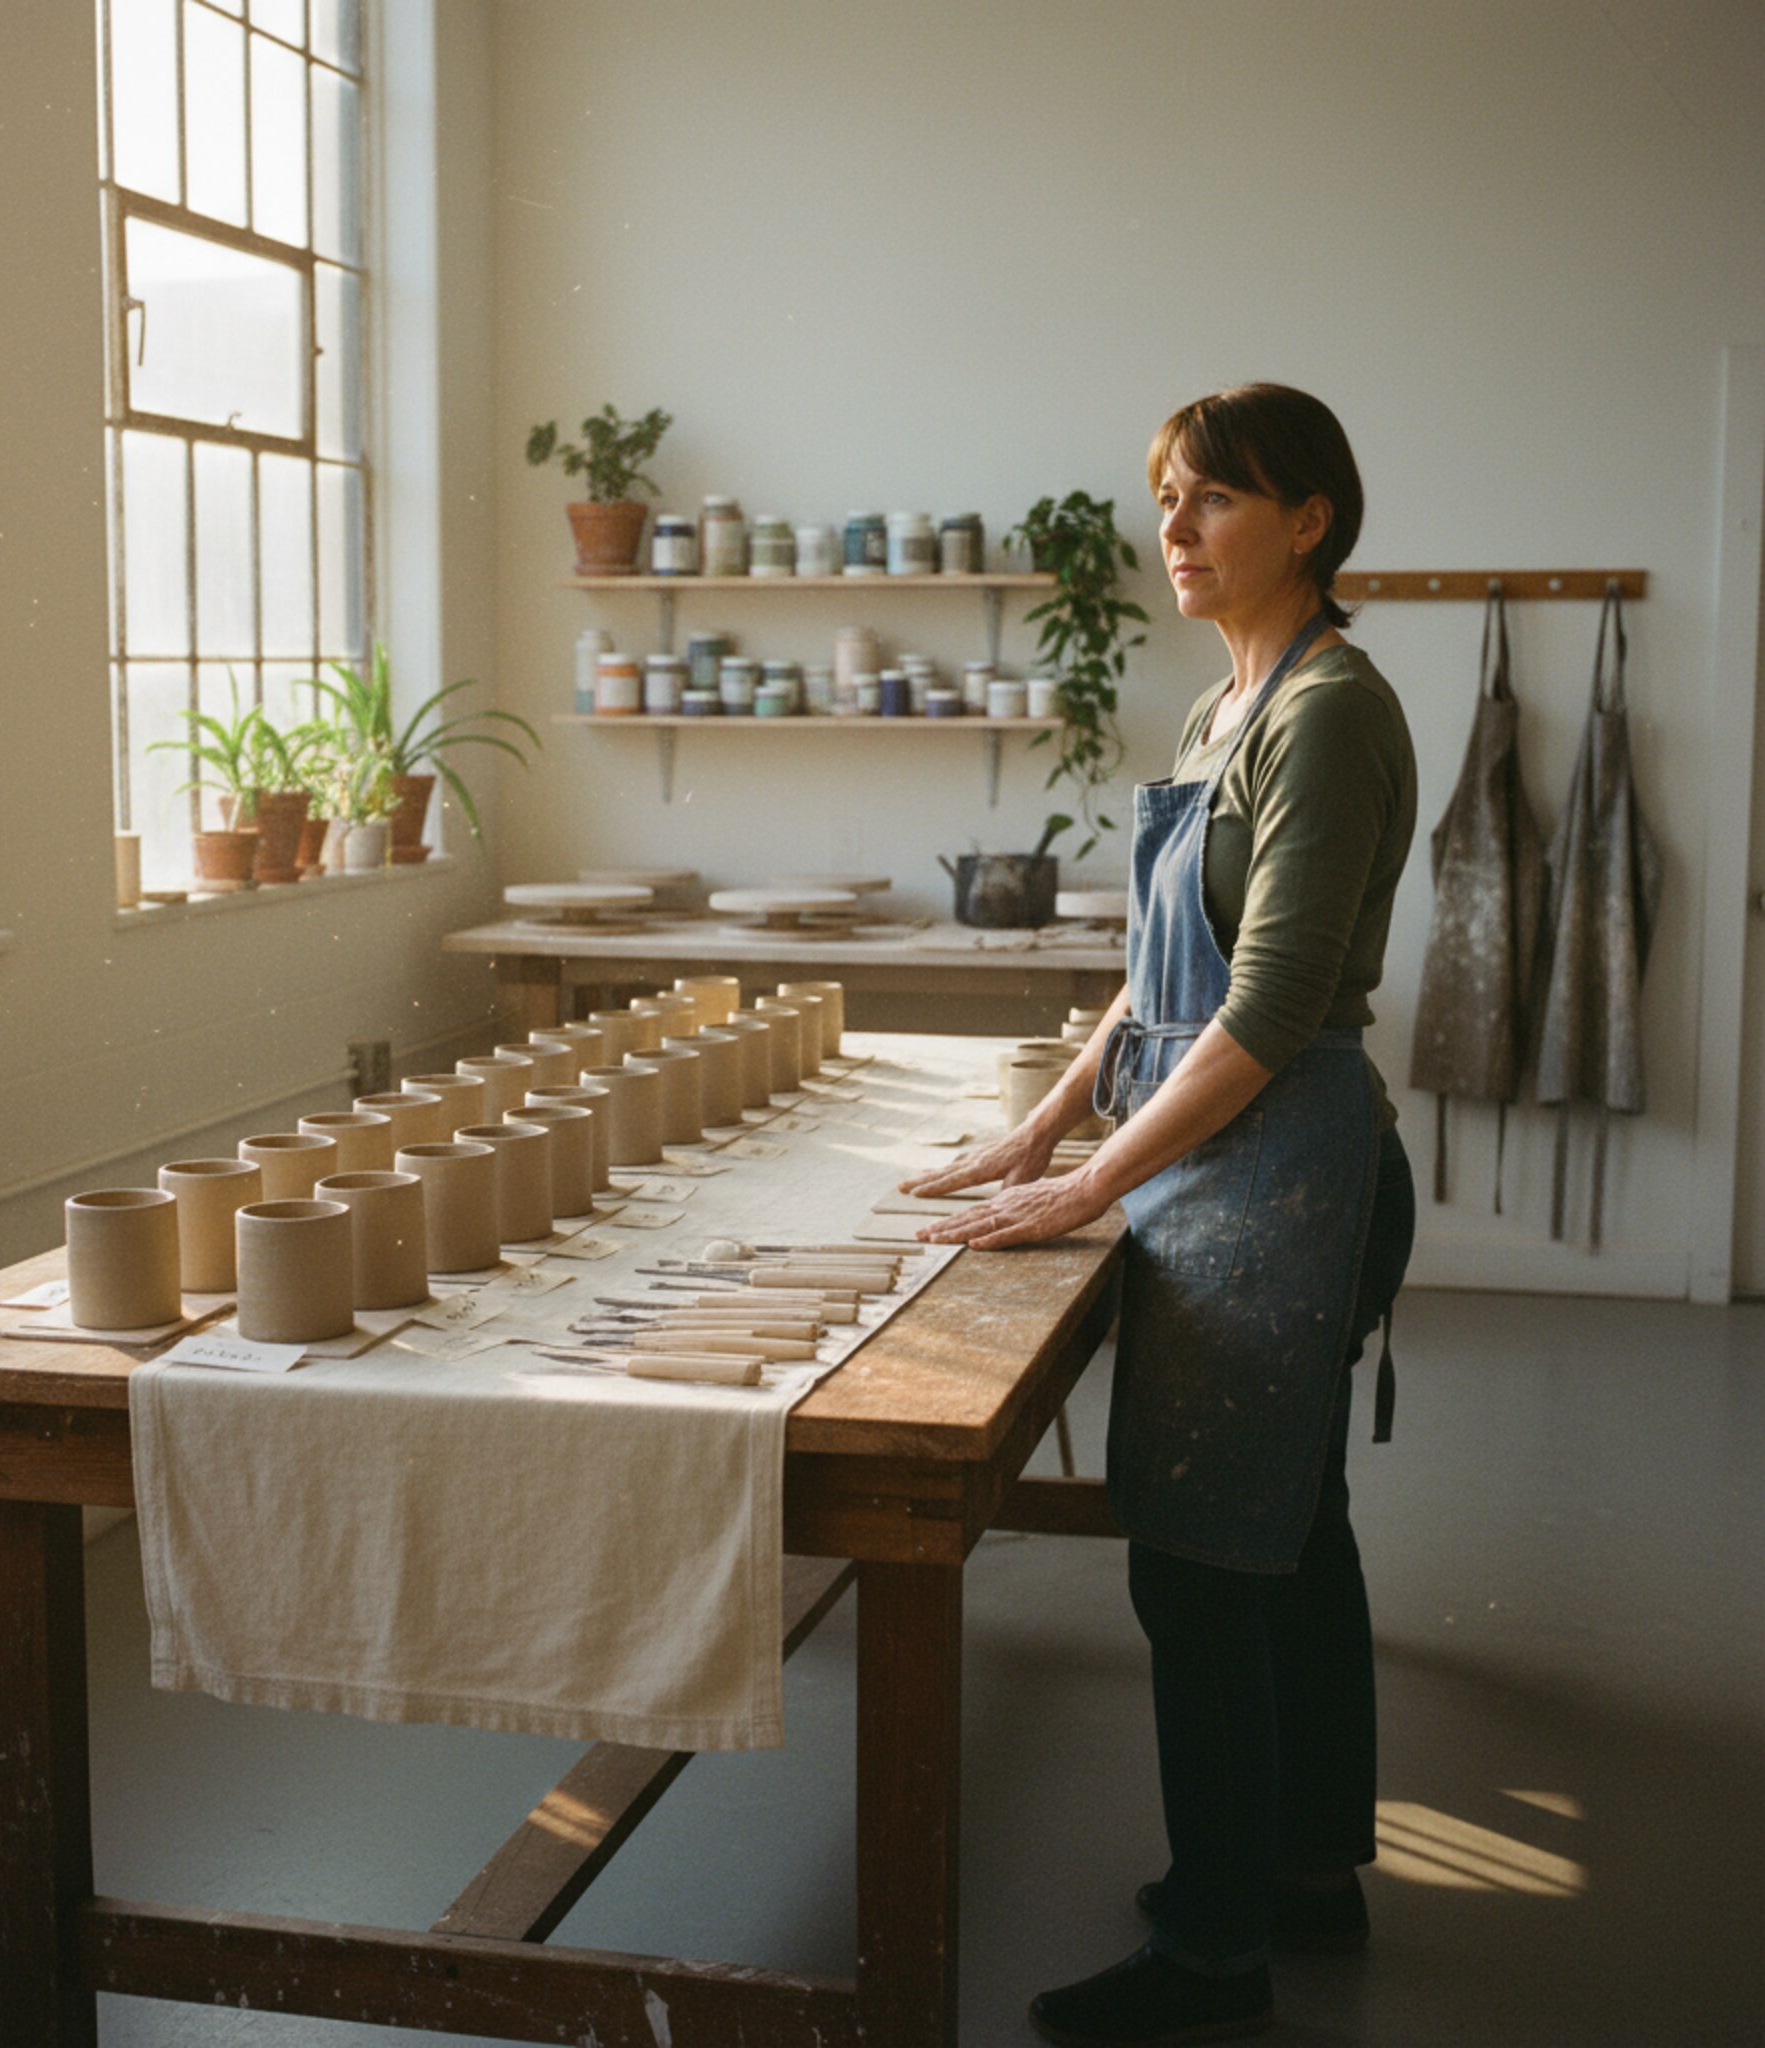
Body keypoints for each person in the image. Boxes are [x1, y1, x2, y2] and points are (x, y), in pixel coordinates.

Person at [904, 383, 1418, 2046]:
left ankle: (1216, 1957)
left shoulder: (1329, 709)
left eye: (1207, 500)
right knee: (1289, 1533)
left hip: (1284, 1173)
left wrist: (1090, 1182)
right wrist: (1041, 1131)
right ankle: (1308, 1875)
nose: (1171, 530)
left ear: (1310, 520)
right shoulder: (1224, 710)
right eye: (1166, 497)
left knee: (1207, 1566)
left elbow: (1264, 1013)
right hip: (1212, 1163)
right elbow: (1152, 987)